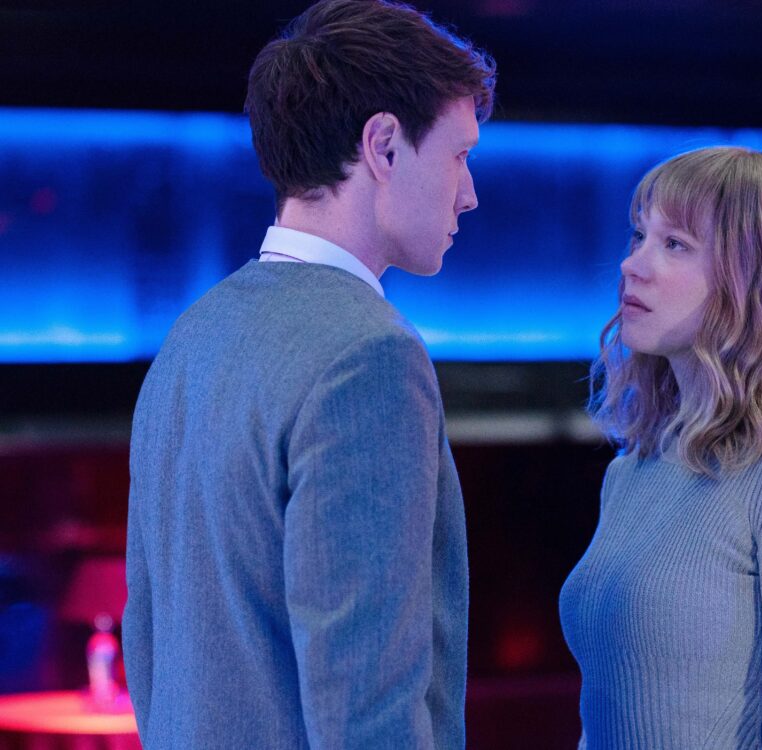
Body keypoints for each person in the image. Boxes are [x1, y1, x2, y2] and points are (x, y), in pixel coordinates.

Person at [122, 2, 494, 748]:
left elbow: (148, 647)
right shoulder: (369, 357)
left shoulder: (192, 335)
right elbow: (368, 712)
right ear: (383, 146)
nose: (469, 192)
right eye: (459, 155)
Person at [559, 146, 762, 749]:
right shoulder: (633, 470)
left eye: (675, 244)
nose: (632, 264)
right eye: (639, 236)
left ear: (756, 280)